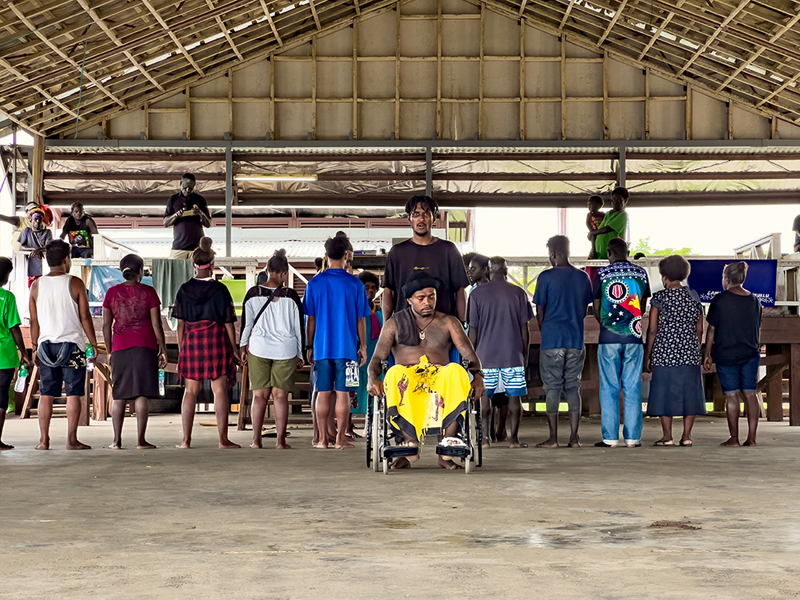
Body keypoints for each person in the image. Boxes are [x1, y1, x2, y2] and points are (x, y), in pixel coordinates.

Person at [368, 272, 485, 470]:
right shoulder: (394, 323)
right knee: (394, 372)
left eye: (431, 296)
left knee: (456, 370)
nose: (427, 302)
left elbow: (469, 354)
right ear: (409, 300)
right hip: (408, 379)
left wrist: (478, 376)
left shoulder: (448, 322)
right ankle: (409, 444)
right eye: (421, 298)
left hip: (439, 378)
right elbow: (377, 359)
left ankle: (449, 442)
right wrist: (372, 378)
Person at [29, 240, 98, 450]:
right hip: (72, 346)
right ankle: (71, 440)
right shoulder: (75, 283)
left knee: (46, 394)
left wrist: (34, 348)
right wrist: (93, 344)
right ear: (67, 260)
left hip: (46, 346)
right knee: (73, 393)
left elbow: (33, 321)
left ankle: (43, 440)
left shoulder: (36, 285)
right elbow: (85, 317)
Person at [303, 234, 370, 450]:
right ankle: (340, 439)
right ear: (347, 255)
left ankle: (322, 439)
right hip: (348, 349)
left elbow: (310, 319)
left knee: (323, 392)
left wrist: (310, 345)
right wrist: (364, 346)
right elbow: (361, 319)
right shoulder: (355, 284)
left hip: (322, 348)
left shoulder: (314, 284)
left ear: (326, 256)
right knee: (344, 394)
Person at [172, 237, 240, 449]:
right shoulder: (220, 290)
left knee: (190, 391)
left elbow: (180, 324)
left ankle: (186, 440)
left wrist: (183, 348)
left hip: (192, 342)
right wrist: (234, 349)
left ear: (194, 264)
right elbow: (229, 323)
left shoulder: (183, 290)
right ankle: (223, 440)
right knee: (219, 389)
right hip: (216, 341)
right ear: (211, 264)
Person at [240, 249, 304, 450]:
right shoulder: (291, 296)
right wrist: (301, 353)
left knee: (259, 396)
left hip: (259, 349)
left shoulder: (252, 294)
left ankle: (256, 440)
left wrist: (243, 347)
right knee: (280, 396)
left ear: (267, 270)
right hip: (285, 350)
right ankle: (280, 442)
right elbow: (298, 328)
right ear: (284, 272)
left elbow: (246, 326)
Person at [102, 254, 168, 450]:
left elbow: (106, 324)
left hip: (120, 346)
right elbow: (156, 324)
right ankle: (141, 441)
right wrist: (163, 348)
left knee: (119, 394)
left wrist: (109, 350)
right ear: (140, 271)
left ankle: (116, 441)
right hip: (145, 345)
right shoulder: (149, 292)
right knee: (141, 394)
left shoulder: (112, 292)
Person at [533, 235, 594, 449]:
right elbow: (585, 308)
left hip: (552, 339)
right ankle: (574, 438)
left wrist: (546, 330)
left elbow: (540, 311)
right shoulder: (583, 277)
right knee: (573, 386)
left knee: (552, 388)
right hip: (576, 339)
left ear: (552, 253)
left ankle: (553, 438)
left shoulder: (546, 277)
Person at [468, 257, 531, 449]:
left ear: (488, 270)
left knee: (485, 398)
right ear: (506, 270)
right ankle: (514, 440)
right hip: (512, 353)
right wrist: (524, 354)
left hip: (484, 356)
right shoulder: (518, 293)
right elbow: (524, 329)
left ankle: (485, 440)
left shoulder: (477, 295)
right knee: (514, 398)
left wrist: (470, 358)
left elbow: (473, 331)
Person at [593, 237, 650, 448]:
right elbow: (643, 305)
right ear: (627, 251)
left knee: (609, 386)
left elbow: (597, 307)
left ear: (609, 253)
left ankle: (610, 439)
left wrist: (607, 325)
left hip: (608, 337)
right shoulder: (641, 273)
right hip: (634, 336)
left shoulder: (602, 274)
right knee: (632, 385)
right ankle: (633, 439)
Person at [644, 255, 705, 447]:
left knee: (664, 392)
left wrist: (648, 355)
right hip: (690, 352)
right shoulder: (694, 297)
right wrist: (695, 346)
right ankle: (686, 436)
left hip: (664, 352)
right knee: (690, 392)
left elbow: (652, 329)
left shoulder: (659, 298)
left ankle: (667, 436)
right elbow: (700, 329)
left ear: (664, 277)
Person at [382, 196, 470, 322]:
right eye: (416, 214)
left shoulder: (448, 250)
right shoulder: (397, 252)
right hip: (406, 329)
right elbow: (389, 292)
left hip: (442, 330)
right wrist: (386, 326)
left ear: (434, 219)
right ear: (409, 219)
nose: (421, 219)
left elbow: (460, 291)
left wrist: (461, 323)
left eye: (426, 214)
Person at [703, 262, 762, 447]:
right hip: (750, 353)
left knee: (732, 395)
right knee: (751, 394)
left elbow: (711, 330)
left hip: (726, 354)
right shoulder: (755, 300)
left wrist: (707, 353)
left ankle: (734, 438)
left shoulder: (720, 300)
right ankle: (751, 438)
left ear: (727, 280)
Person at [0, 258, 32, 450]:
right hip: (3, 356)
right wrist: (24, 353)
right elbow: (14, 328)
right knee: (1, 397)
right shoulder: (7, 298)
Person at [351, 271, 383, 435]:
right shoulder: (354, 310)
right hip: (357, 356)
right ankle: (347, 427)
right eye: (366, 288)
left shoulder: (380, 312)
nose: (370, 291)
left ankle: (369, 425)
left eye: (373, 288)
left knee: (372, 391)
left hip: (374, 356)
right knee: (353, 389)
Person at [163, 173, 211, 260]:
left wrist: (200, 213)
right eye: (185, 188)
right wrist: (176, 215)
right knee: (174, 271)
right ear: (180, 184)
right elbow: (165, 223)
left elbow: (208, 224)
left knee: (196, 272)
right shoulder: (173, 199)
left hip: (197, 248)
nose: (188, 190)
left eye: (190, 188)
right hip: (179, 247)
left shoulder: (200, 200)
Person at [588, 187, 629, 260]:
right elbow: (599, 229)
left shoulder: (622, 215)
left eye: (619, 200)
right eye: (614, 199)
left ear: (624, 201)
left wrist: (592, 233)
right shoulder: (607, 214)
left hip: (613, 256)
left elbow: (608, 228)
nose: (615, 202)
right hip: (600, 254)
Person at [19, 207, 53, 288]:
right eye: (35, 219)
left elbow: (49, 247)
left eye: (40, 219)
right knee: (32, 290)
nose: (38, 221)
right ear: (31, 220)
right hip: (31, 267)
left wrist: (39, 249)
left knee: (44, 290)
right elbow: (21, 247)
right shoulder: (26, 231)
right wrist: (34, 249)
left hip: (44, 267)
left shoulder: (47, 232)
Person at [585, 195, 605, 259]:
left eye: (591, 205)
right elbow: (587, 223)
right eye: (588, 205)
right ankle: (593, 251)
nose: (589, 207)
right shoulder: (589, 215)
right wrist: (591, 231)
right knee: (593, 238)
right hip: (593, 232)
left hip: (601, 233)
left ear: (599, 205)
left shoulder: (603, 214)